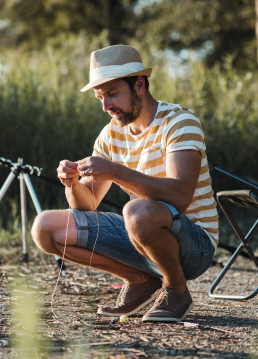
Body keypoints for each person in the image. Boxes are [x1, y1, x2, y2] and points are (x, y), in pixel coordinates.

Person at [32, 45, 218, 322]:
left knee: (136, 211)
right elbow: (86, 204)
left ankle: (176, 289)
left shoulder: (180, 121)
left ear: (139, 85)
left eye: (112, 93)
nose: (106, 106)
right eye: (100, 97)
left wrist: (116, 171)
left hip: (195, 245)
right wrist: (72, 183)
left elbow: (179, 197)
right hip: (142, 235)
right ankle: (139, 279)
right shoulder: (110, 135)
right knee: (45, 228)